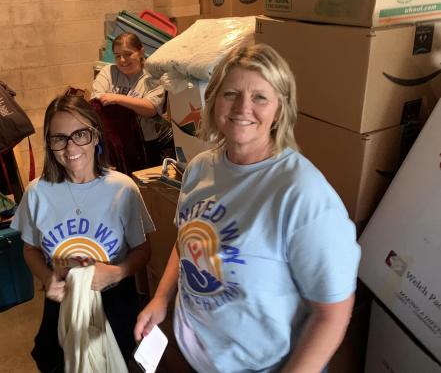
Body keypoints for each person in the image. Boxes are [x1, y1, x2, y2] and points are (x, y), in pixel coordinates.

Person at [134, 44, 360, 373]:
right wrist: (161, 298)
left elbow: (333, 313)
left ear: (280, 109)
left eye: (260, 97)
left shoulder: (303, 194)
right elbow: (189, 239)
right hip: (192, 352)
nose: (243, 107)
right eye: (231, 94)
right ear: (213, 102)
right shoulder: (200, 168)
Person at [11, 94, 154, 372]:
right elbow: (30, 249)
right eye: (59, 138)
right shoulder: (37, 193)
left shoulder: (122, 189)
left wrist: (117, 272)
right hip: (63, 301)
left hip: (115, 302)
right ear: (49, 144)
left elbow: (143, 250)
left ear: (96, 136)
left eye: (80, 134)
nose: (70, 147)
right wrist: (47, 277)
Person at [92, 32, 170, 166]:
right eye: (117, 56)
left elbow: (150, 108)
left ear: (141, 52)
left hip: (144, 144)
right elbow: (96, 101)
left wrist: (116, 98)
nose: (122, 60)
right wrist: (132, 104)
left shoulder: (153, 77)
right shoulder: (108, 72)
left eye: (128, 54)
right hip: (113, 144)